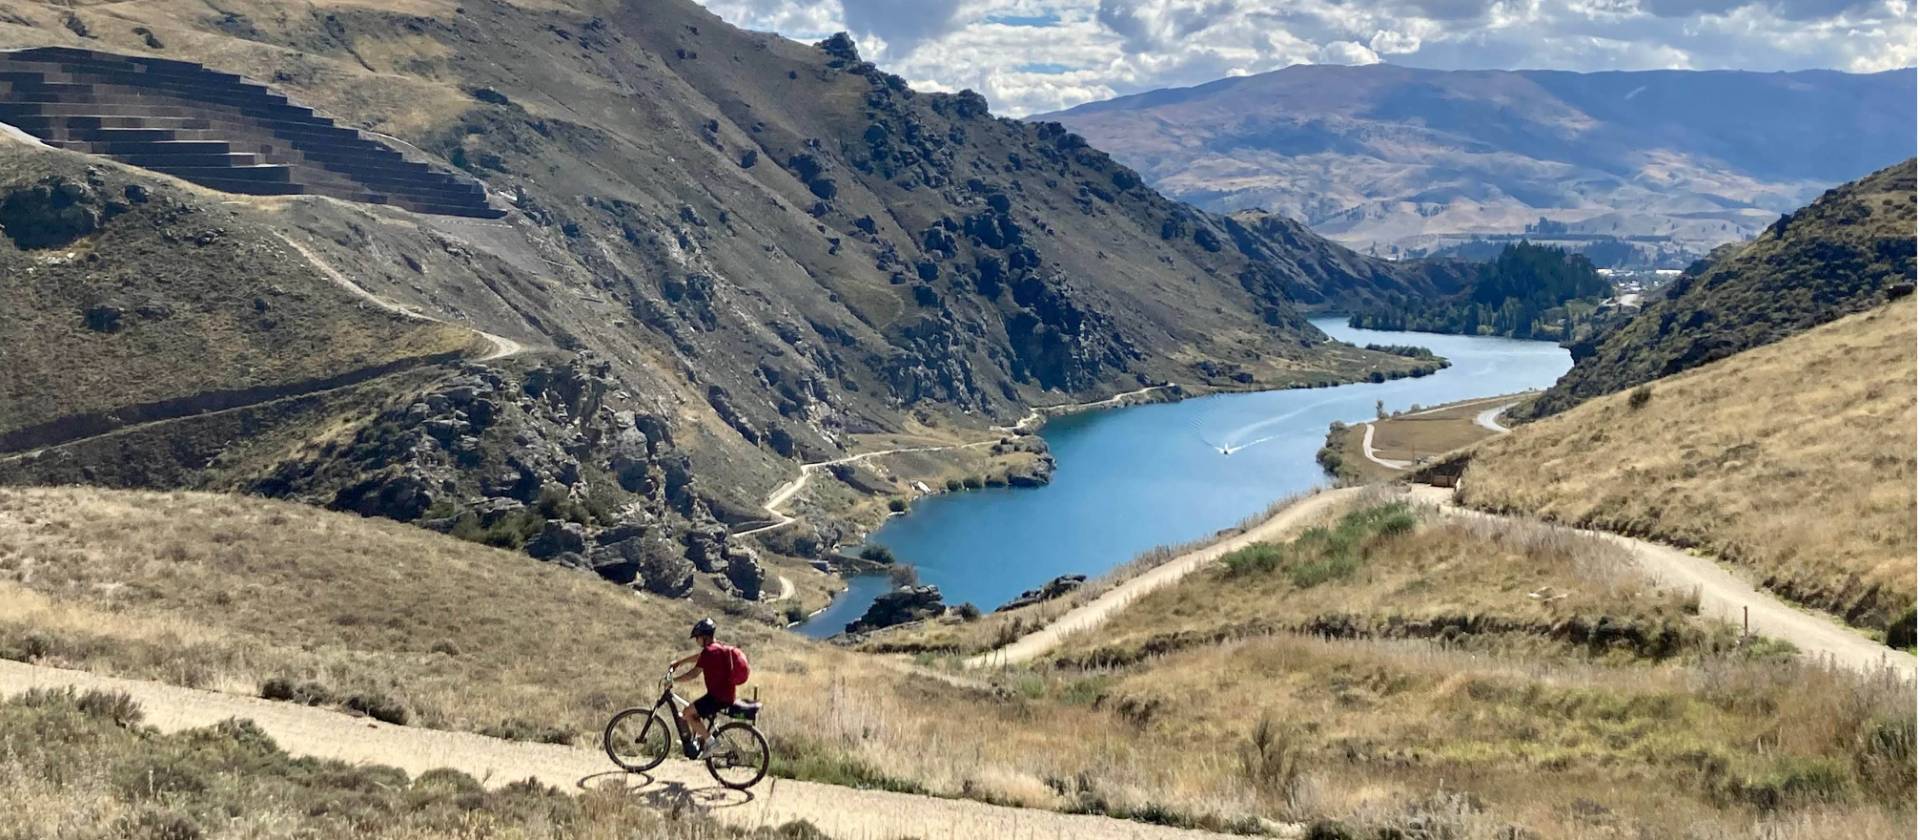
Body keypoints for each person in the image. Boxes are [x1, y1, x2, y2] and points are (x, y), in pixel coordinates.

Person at [668, 617, 739, 756]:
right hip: (725, 694)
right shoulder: (718, 647)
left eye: (697, 637)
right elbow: (700, 657)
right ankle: (699, 741)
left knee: (687, 713)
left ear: (704, 637)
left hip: (717, 697)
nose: (696, 641)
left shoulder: (709, 652)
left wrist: (673, 680)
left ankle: (711, 743)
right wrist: (679, 662)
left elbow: (693, 674)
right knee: (693, 711)